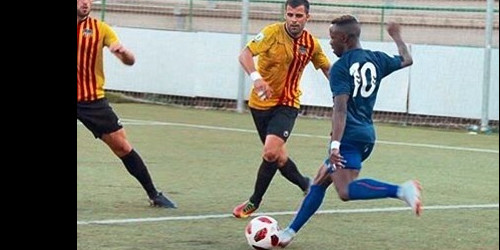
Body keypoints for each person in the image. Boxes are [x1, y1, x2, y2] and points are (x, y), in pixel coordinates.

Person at [278, 15, 421, 247]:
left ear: (344, 38)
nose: (331, 43)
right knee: (320, 181)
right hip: (366, 134)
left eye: (333, 38)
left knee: (344, 190)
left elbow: (340, 109)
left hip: (348, 137)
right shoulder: (375, 59)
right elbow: (406, 59)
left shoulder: (340, 68)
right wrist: (396, 36)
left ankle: (401, 190)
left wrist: (335, 144)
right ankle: (289, 232)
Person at [233, 0, 331, 218]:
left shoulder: (311, 44)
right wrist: (257, 78)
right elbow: (245, 55)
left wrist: (343, 93)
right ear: (285, 15)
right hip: (260, 104)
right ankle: (306, 184)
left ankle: (254, 201)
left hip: (287, 103)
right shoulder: (271, 33)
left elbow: (327, 68)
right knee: (278, 157)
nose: (293, 20)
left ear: (308, 17)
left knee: (270, 152)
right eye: (290, 15)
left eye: (298, 16)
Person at [77, 0, 176, 208]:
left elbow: (130, 60)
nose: (85, 2)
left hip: (91, 100)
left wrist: (123, 52)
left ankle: (154, 194)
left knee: (122, 146)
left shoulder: (100, 28)